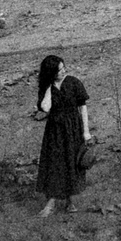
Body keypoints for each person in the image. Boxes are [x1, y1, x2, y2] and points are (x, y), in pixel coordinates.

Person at [32, 54, 92, 216]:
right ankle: (51, 203)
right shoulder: (47, 88)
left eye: (63, 68)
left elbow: (83, 107)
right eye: (58, 70)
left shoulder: (73, 82)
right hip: (55, 131)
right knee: (55, 163)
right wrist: (49, 86)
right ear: (51, 73)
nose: (63, 71)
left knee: (71, 163)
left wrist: (86, 132)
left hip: (73, 129)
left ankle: (69, 201)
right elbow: (45, 108)